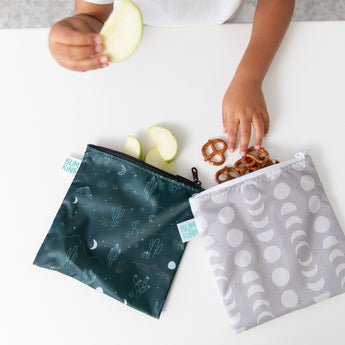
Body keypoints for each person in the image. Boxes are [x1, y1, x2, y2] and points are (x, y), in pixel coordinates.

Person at [48, 0, 295, 156]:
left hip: (222, 25)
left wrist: (249, 76)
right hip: (148, 41)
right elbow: (94, 12)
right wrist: (78, 29)